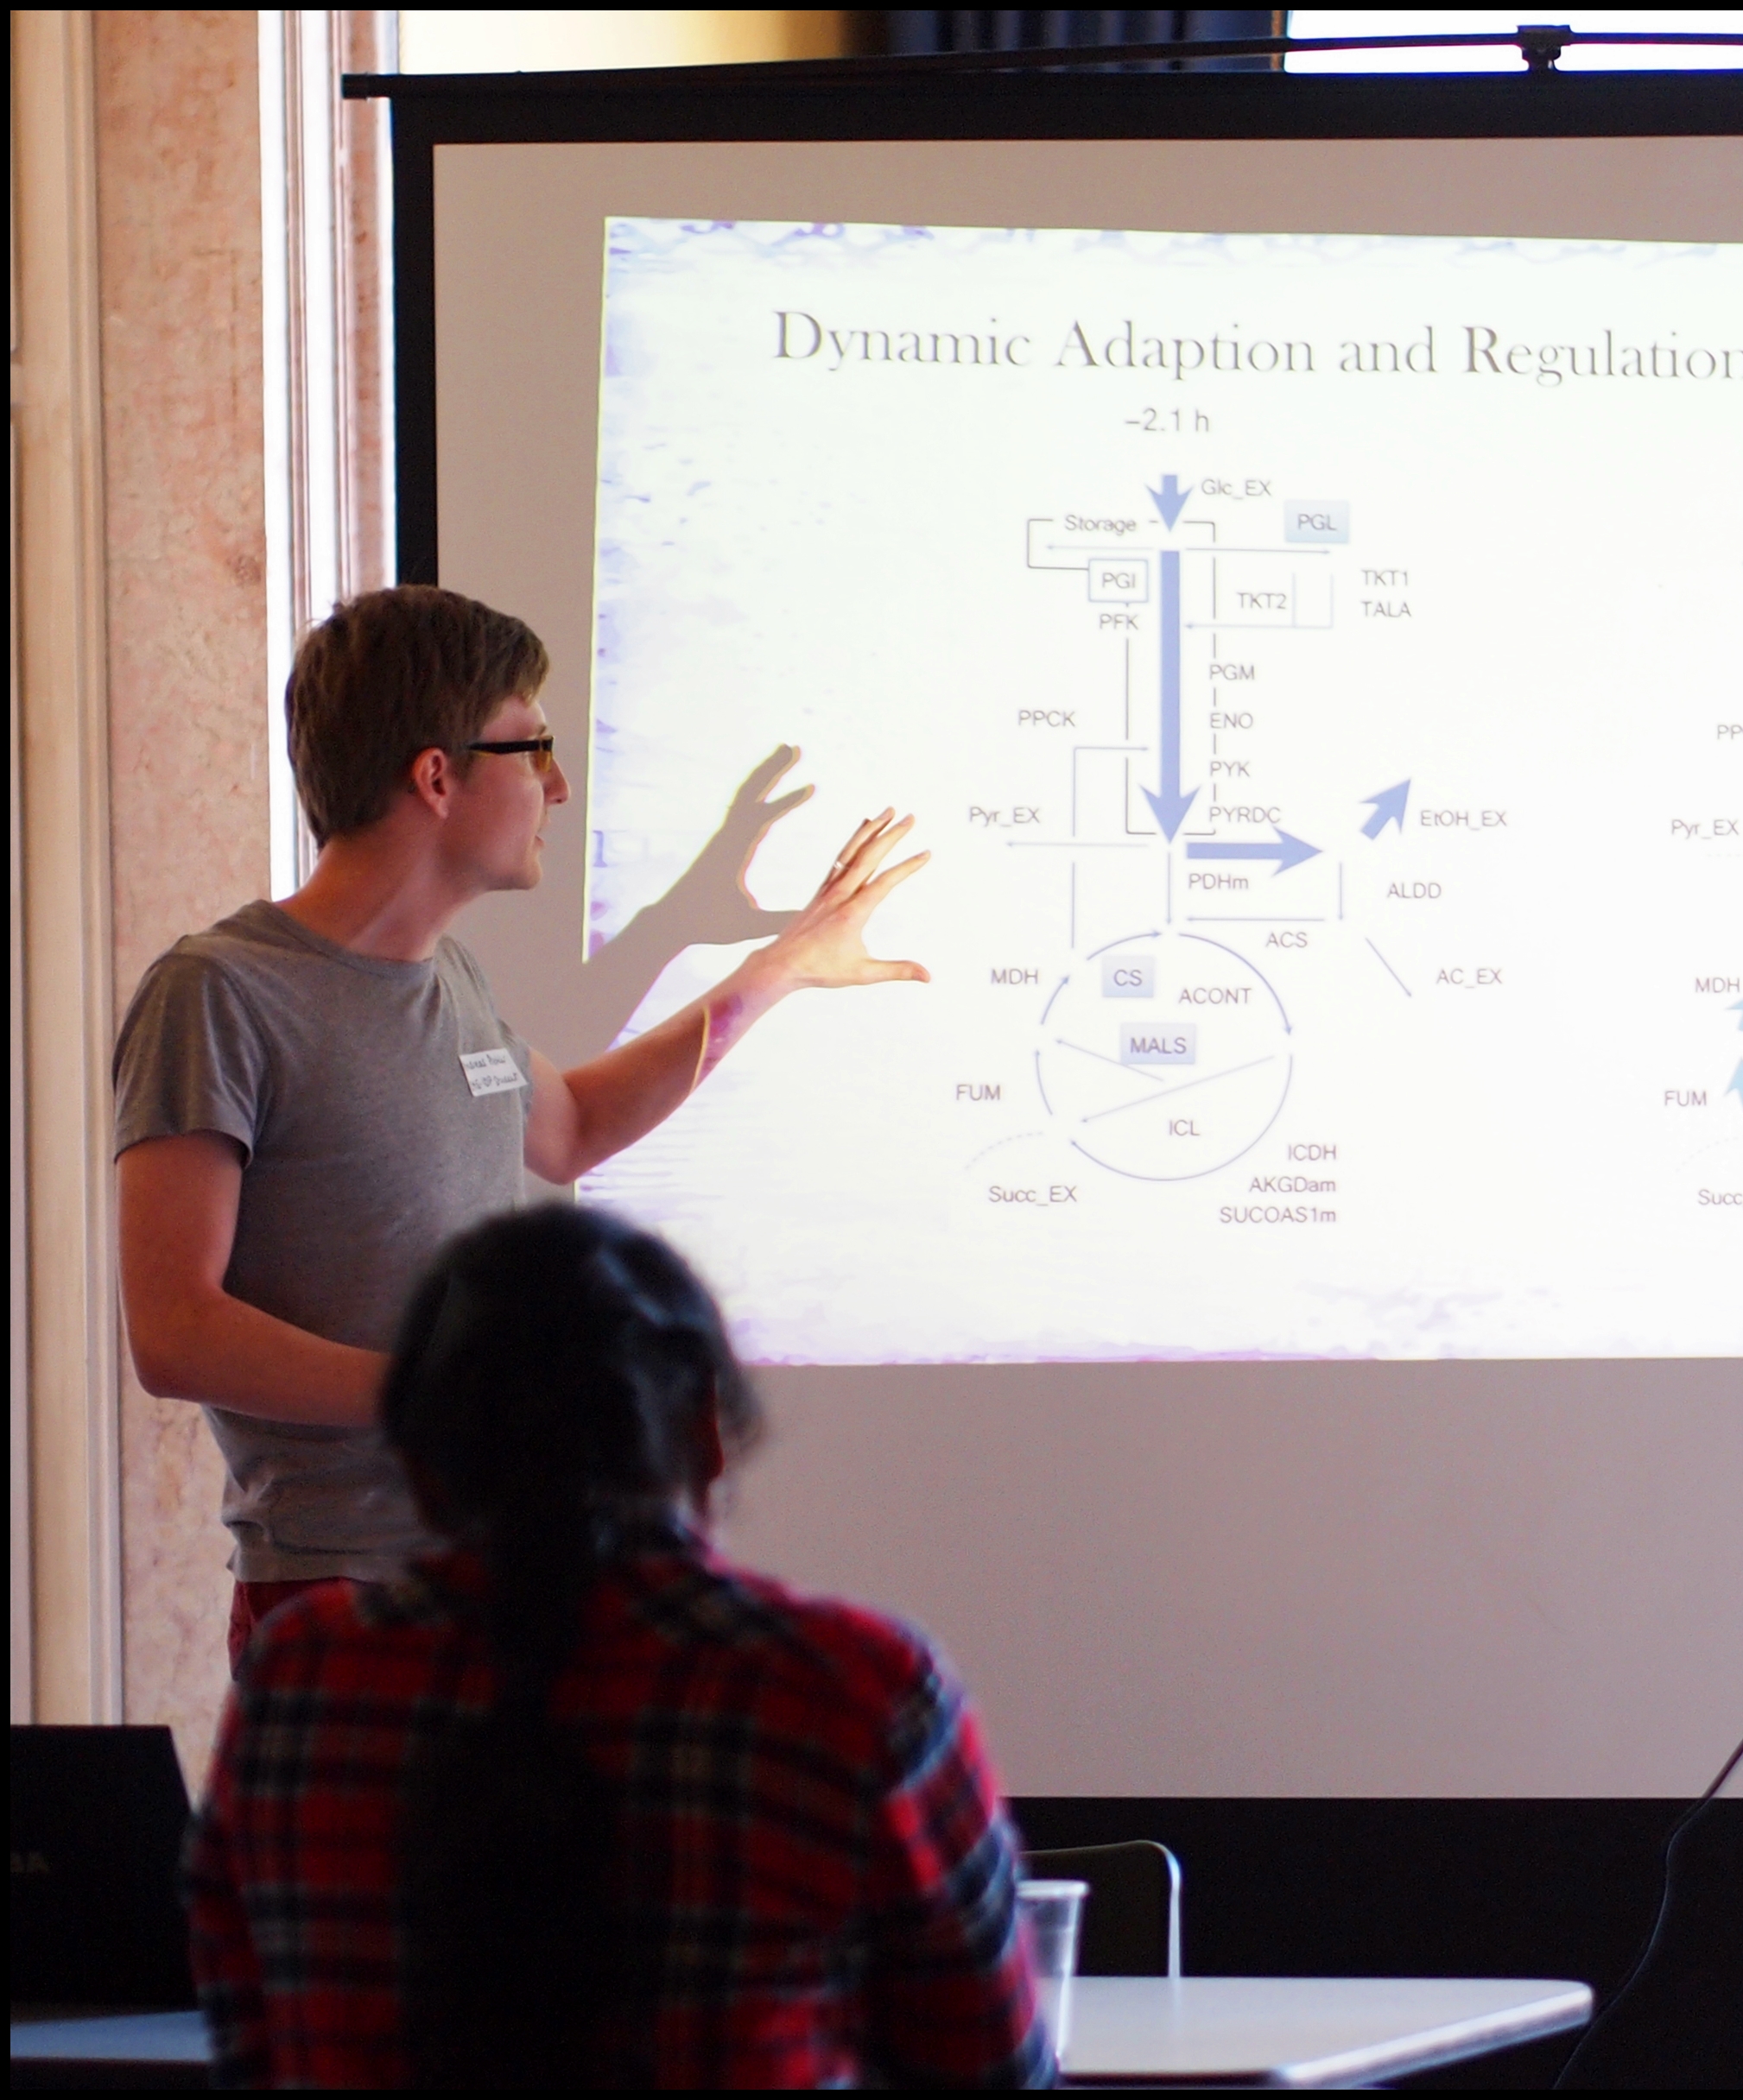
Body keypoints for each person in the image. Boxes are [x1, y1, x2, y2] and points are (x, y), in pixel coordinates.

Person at [113, 586, 927, 1671]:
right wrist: (449, 1395)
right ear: (436, 776)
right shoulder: (219, 992)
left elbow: (574, 1124)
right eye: (532, 746)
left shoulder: (449, 976)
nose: (558, 784)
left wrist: (775, 972)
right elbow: (175, 1331)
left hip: (512, 1576)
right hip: (346, 1594)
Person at [185, 1205, 1052, 2089]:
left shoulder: (301, 1681)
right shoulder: (848, 1689)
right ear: (704, 1432)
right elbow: (992, 2068)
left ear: (419, 1458)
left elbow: (249, 2045)